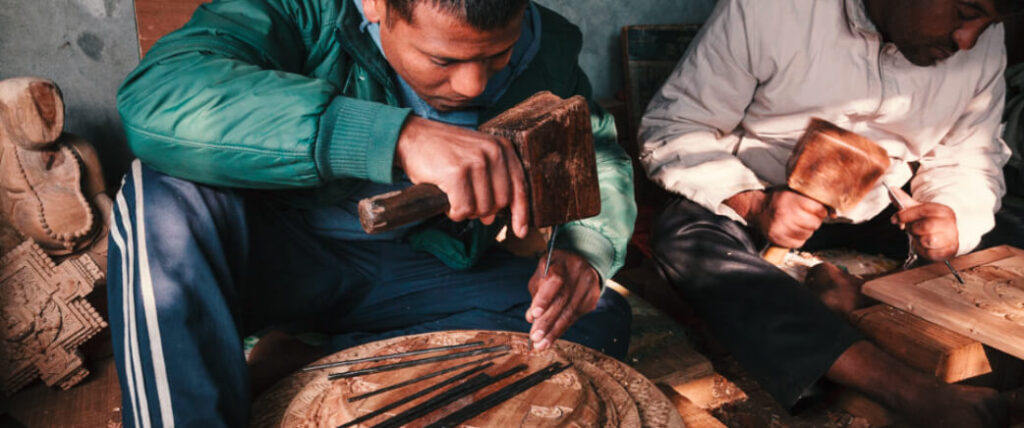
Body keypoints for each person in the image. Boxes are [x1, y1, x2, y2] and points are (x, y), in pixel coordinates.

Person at [110, 0, 636, 425]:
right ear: (379, 6)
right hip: (282, 259)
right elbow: (158, 97)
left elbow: (594, 154)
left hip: (418, 264)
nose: (473, 84)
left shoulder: (546, 45)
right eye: (443, 61)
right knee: (155, 191)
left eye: (497, 55)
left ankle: (308, 360)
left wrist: (584, 249)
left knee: (590, 318)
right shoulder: (297, 10)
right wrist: (395, 136)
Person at [640, 0, 1020, 425]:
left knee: (1009, 242)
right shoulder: (770, 10)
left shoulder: (981, 45)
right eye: (965, 13)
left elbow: (970, 158)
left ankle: (843, 324)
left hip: (887, 203)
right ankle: (904, 389)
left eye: (989, 24)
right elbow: (674, 127)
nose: (968, 40)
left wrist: (952, 216)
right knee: (685, 238)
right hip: (766, 199)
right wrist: (753, 202)